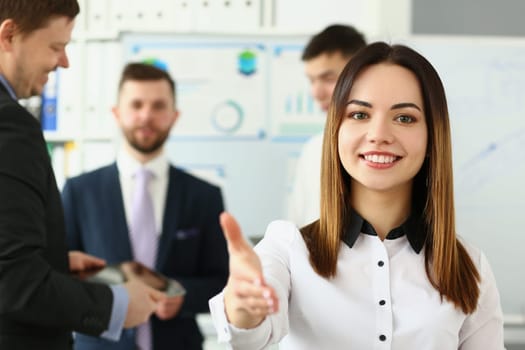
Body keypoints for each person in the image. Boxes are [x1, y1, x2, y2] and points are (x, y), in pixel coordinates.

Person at [209, 42, 505, 349]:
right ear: (336, 129)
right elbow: (250, 335)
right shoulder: (288, 249)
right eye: (359, 114)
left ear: (433, 138)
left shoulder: (469, 265)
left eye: (404, 118)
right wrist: (243, 307)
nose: (379, 134)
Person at [0, 1, 166, 349]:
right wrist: (117, 307)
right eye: (56, 47)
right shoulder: (10, 124)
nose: (64, 61)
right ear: (9, 35)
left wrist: (54, 264)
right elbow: (11, 278)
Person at [61, 62, 229, 350]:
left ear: (174, 116)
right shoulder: (79, 191)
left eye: (158, 106)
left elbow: (221, 281)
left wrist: (184, 298)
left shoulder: (204, 196)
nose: (146, 116)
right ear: (116, 113)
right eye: (136, 104)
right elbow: (60, 277)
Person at [288, 24, 366, 227]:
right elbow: (298, 226)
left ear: (363, 73)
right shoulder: (313, 149)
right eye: (312, 80)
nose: (316, 92)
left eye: (328, 78)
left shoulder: (386, 147)